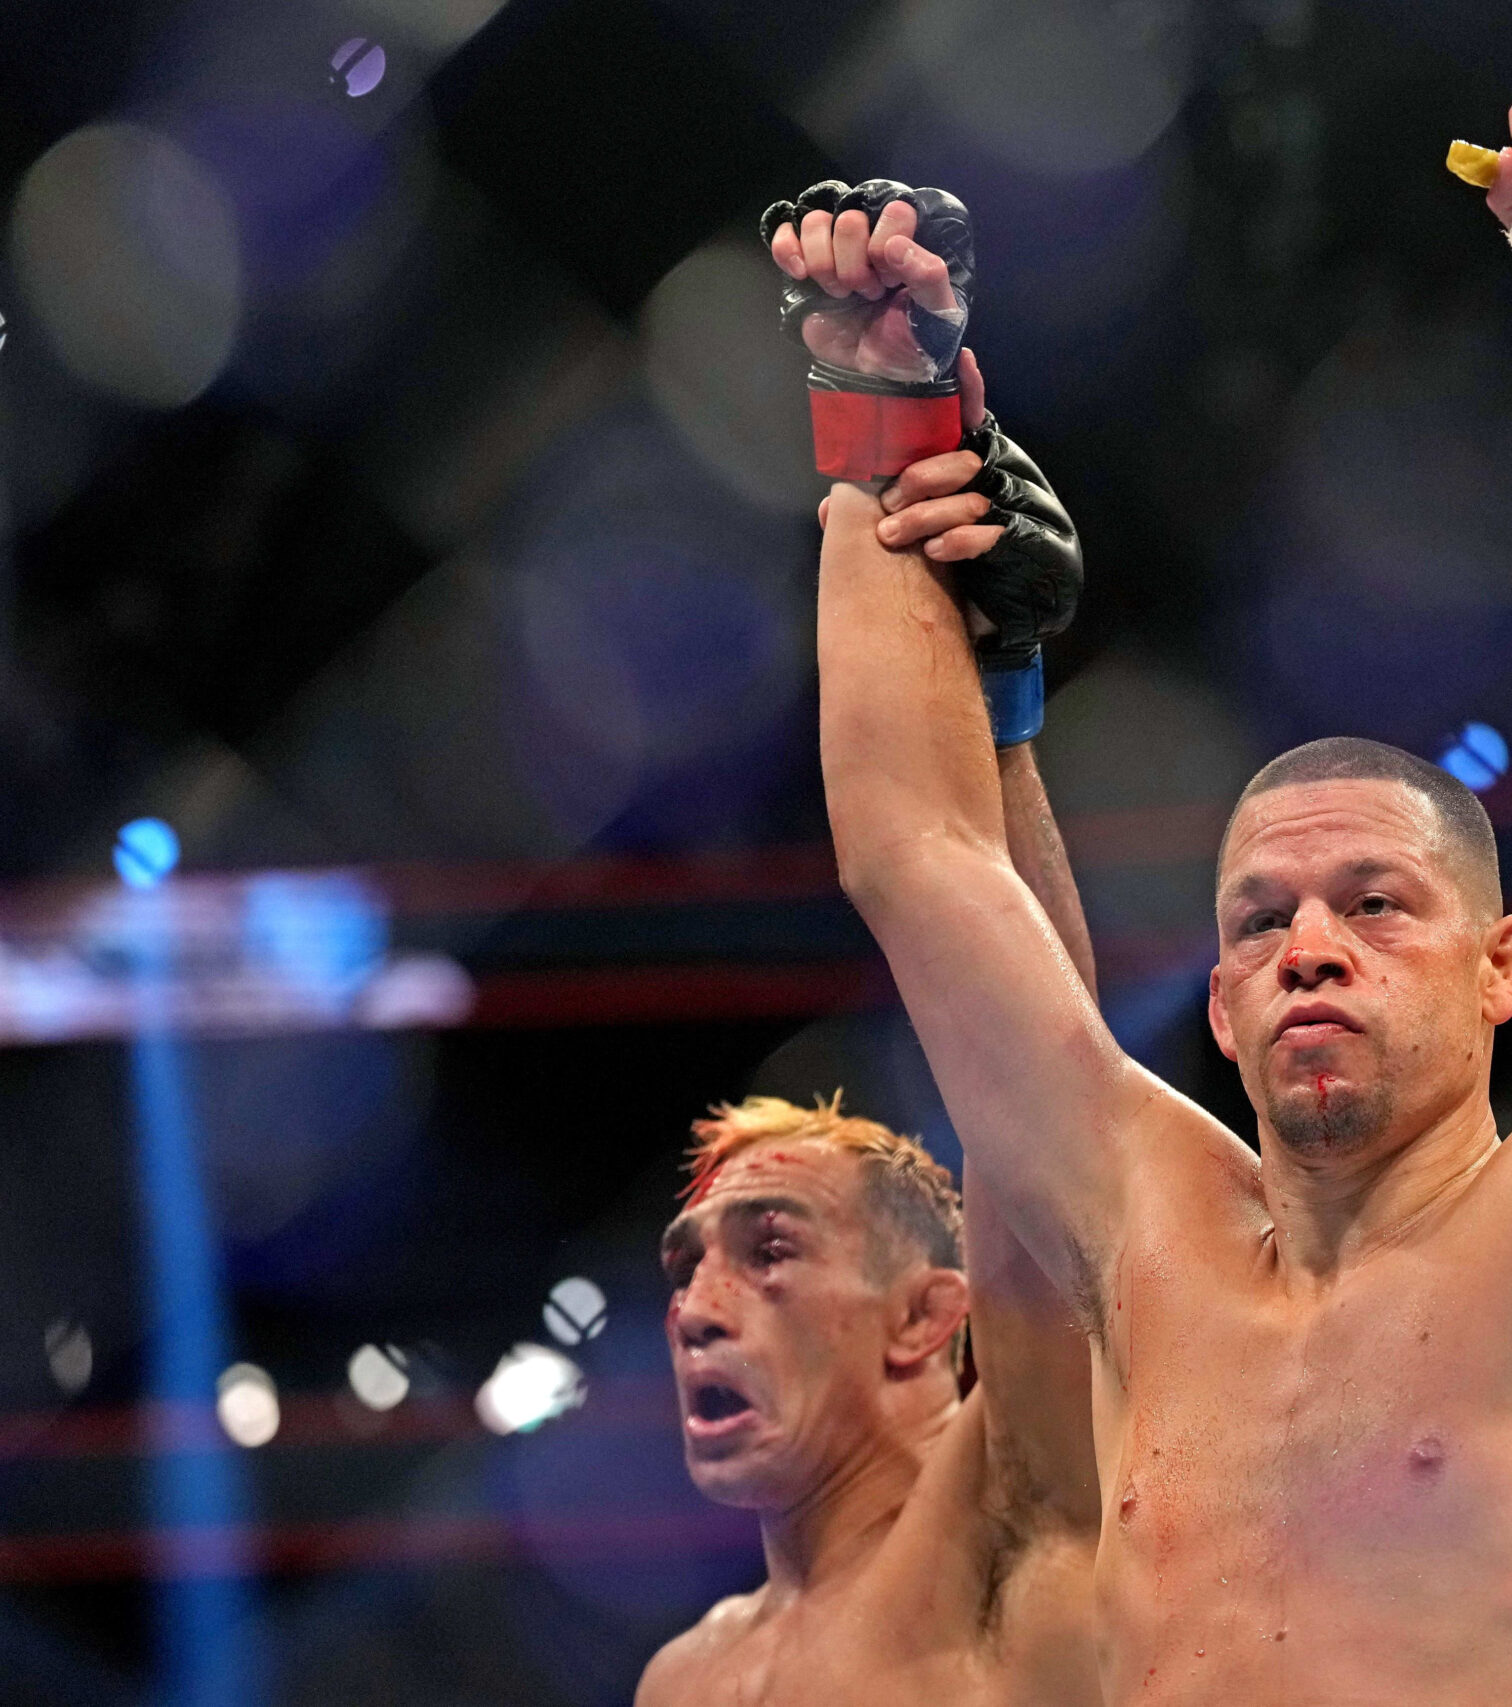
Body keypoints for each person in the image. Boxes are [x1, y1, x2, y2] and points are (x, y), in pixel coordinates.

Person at [813, 43, 1512, 1704]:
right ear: (1222, 1002)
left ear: (1502, 963)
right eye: (1262, 922)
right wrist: (875, 415)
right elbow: (916, 852)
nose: (1311, 947)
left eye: (1377, 906)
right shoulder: (1139, 1222)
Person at [636, 287, 1105, 1703]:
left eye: (768, 1248)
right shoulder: (686, 1680)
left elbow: (1053, 1100)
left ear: (926, 1318)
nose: (701, 1305)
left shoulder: (1010, 1526)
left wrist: (996, 700)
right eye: (689, 1261)